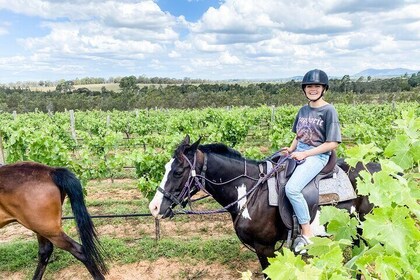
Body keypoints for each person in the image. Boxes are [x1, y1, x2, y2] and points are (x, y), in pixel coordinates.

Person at [281, 69, 341, 254]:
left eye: (317, 86)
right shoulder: (303, 110)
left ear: (324, 89)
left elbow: (333, 144)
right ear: (304, 89)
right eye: (309, 86)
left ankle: (307, 233)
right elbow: (298, 136)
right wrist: (291, 149)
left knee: (292, 188)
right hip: (299, 152)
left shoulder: (329, 111)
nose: (313, 89)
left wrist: (306, 155)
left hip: (318, 156)